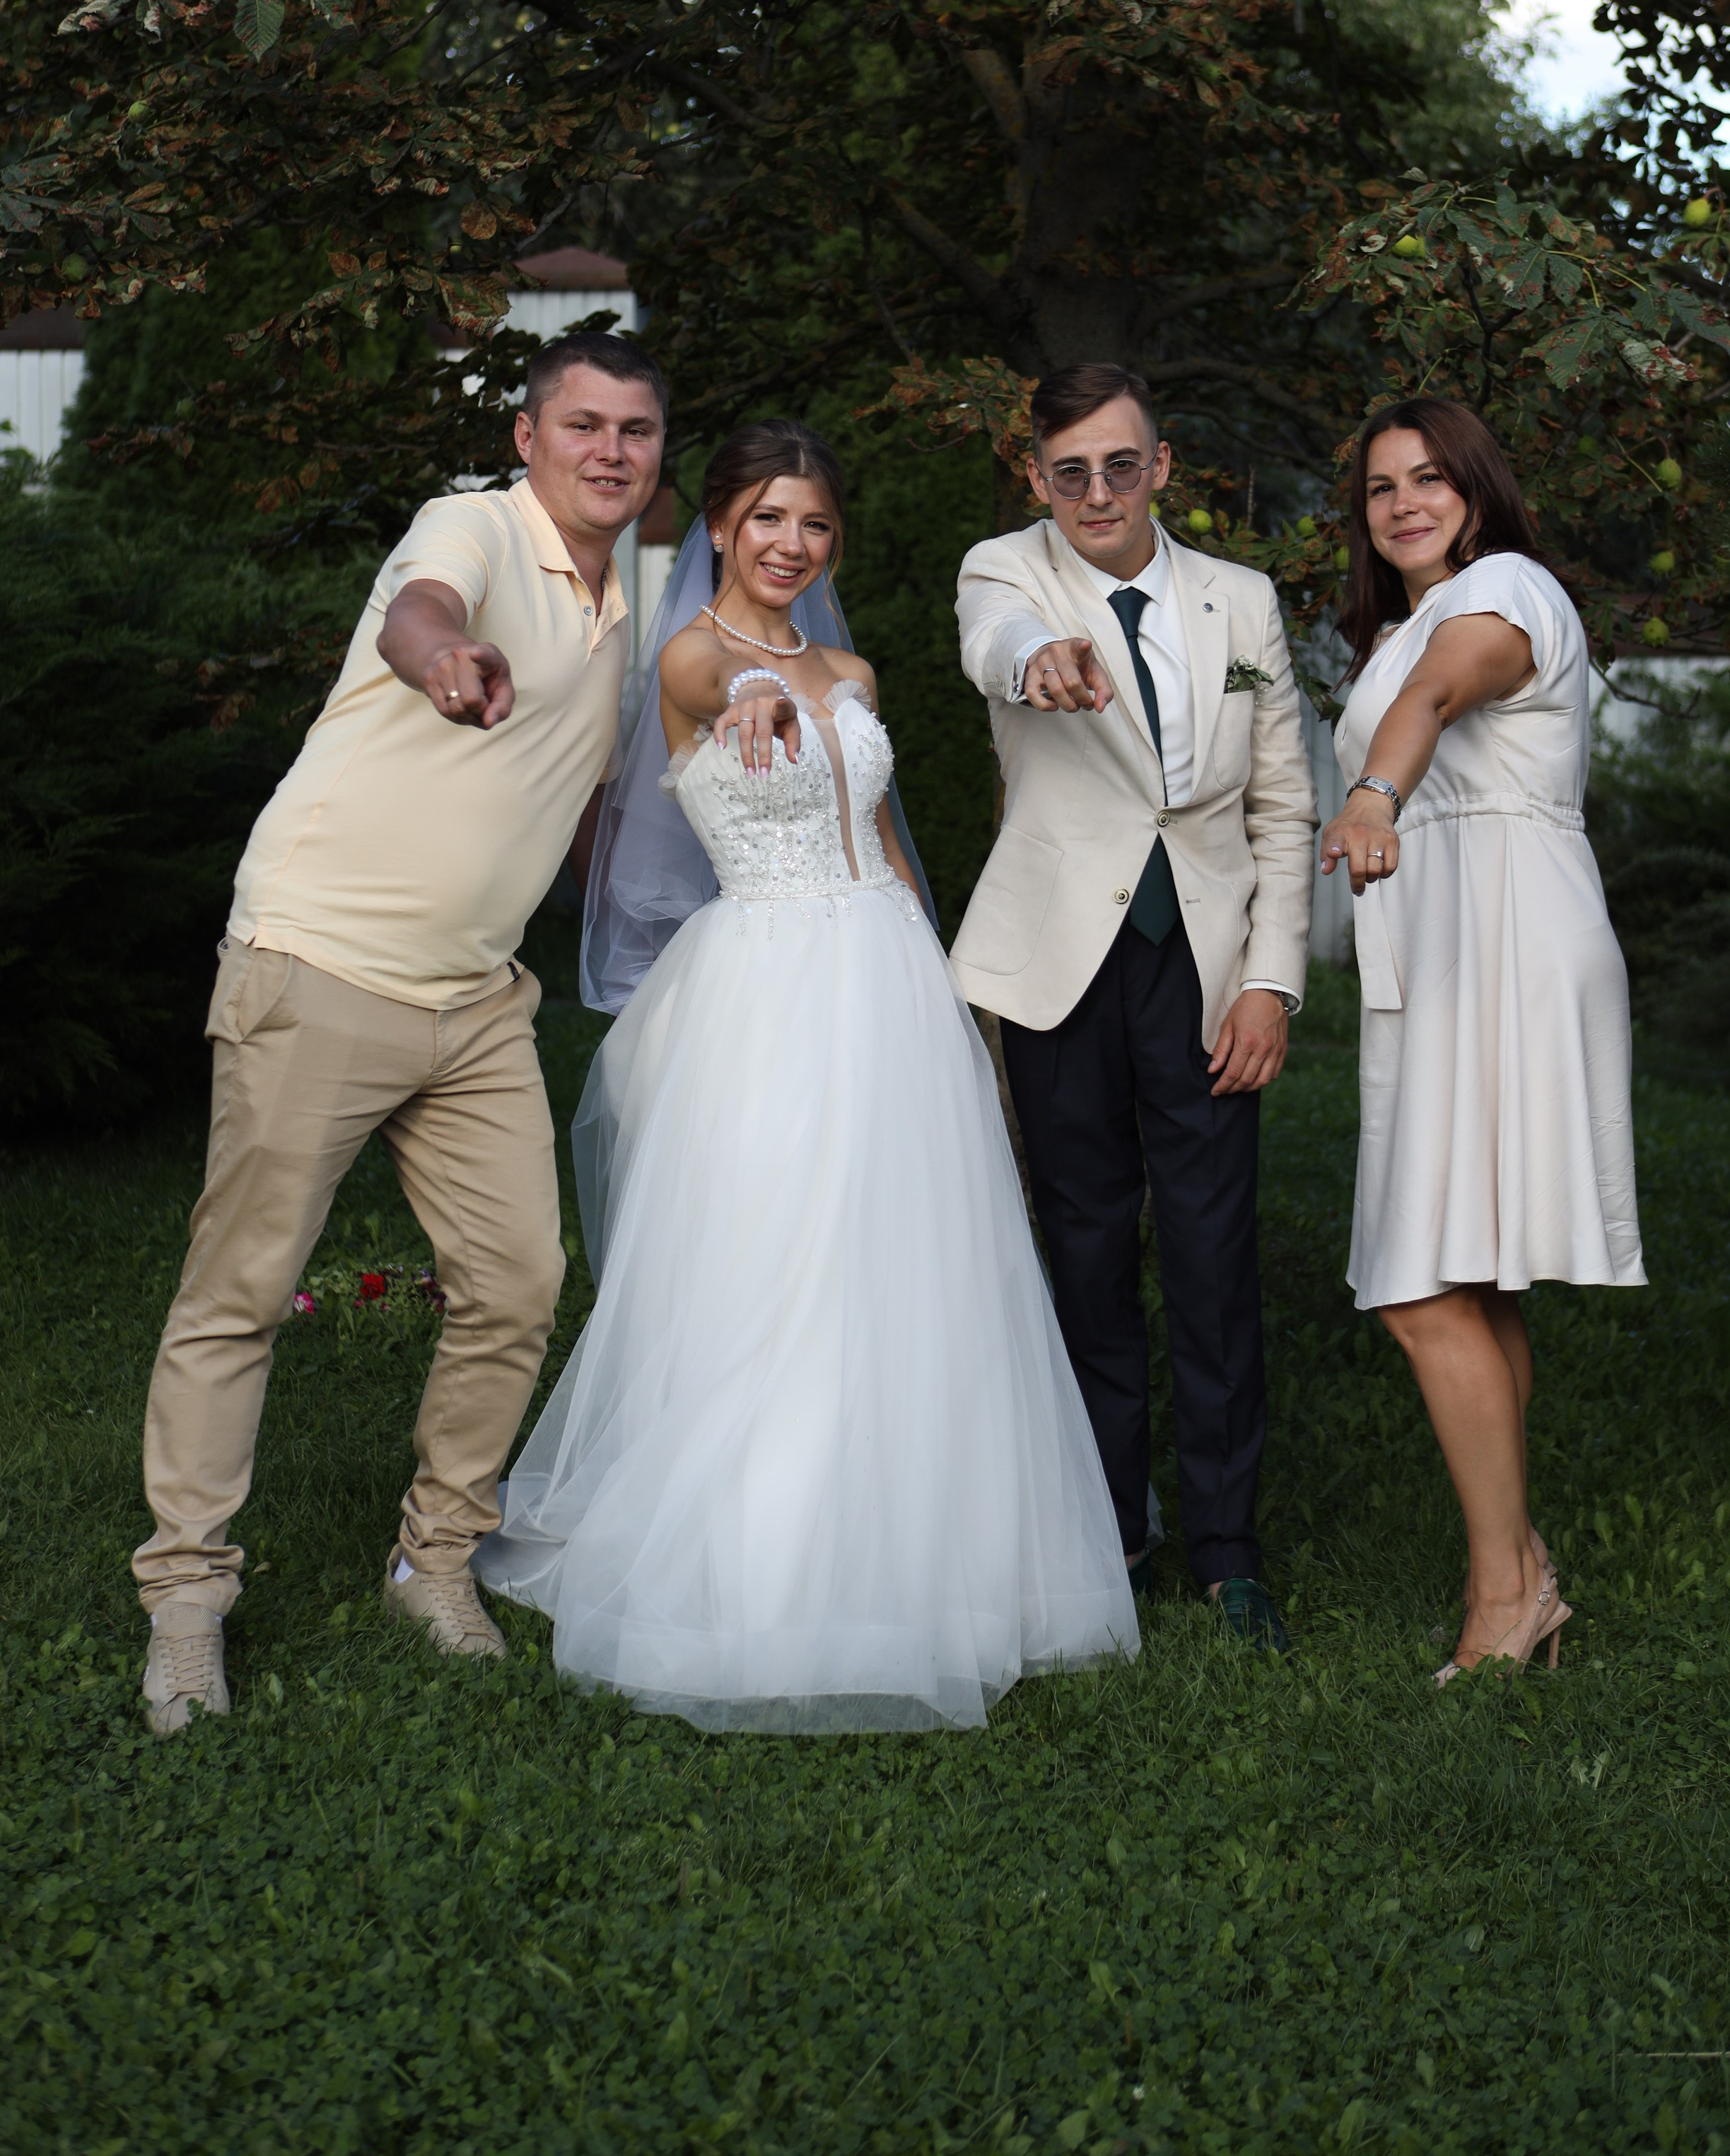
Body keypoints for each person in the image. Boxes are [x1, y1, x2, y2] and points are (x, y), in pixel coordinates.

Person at [474, 421, 1137, 1729]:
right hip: (766, 989)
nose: (792, 544)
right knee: (771, 1264)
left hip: (885, 979)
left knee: (909, 1270)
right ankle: (759, 1563)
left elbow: (887, 843)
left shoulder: (856, 667)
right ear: (721, 524)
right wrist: (754, 697)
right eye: (768, 518)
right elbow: (722, 692)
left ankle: (920, 1557)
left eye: (815, 525)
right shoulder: (688, 657)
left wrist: (951, 1010)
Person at [134, 335, 666, 1737]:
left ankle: (433, 1560)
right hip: (321, 964)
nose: (609, 452)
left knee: (520, 1279)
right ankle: (186, 1602)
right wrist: (448, 661)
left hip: (476, 1001)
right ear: (527, 438)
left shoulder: (639, 602)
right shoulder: (473, 528)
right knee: (240, 1289)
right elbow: (418, 614)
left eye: (635, 432)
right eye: (583, 426)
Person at [952, 365, 1318, 1646]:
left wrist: (1271, 980)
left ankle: (1227, 1551)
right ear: (1036, 478)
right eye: (1070, 472)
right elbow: (997, 649)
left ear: (1162, 467)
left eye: (1120, 466)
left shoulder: (1244, 603)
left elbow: (1280, 803)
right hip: (1059, 968)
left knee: (1216, 1261)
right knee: (1085, 1250)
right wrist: (1040, 660)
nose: (1096, 492)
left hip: (1207, 972)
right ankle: (1105, 1530)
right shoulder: (1005, 573)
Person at [1320, 397, 1644, 1685]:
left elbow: (1448, 693)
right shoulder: (1400, 629)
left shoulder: (1507, 591)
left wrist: (1369, 792)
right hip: (1448, 944)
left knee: (1416, 1282)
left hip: (1507, 937)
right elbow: (1421, 675)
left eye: (1430, 478)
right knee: (1473, 1272)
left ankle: (1509, 1592)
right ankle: (1514, 1578)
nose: (1403, 503)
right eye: (1380, 487)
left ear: (1477, 489)